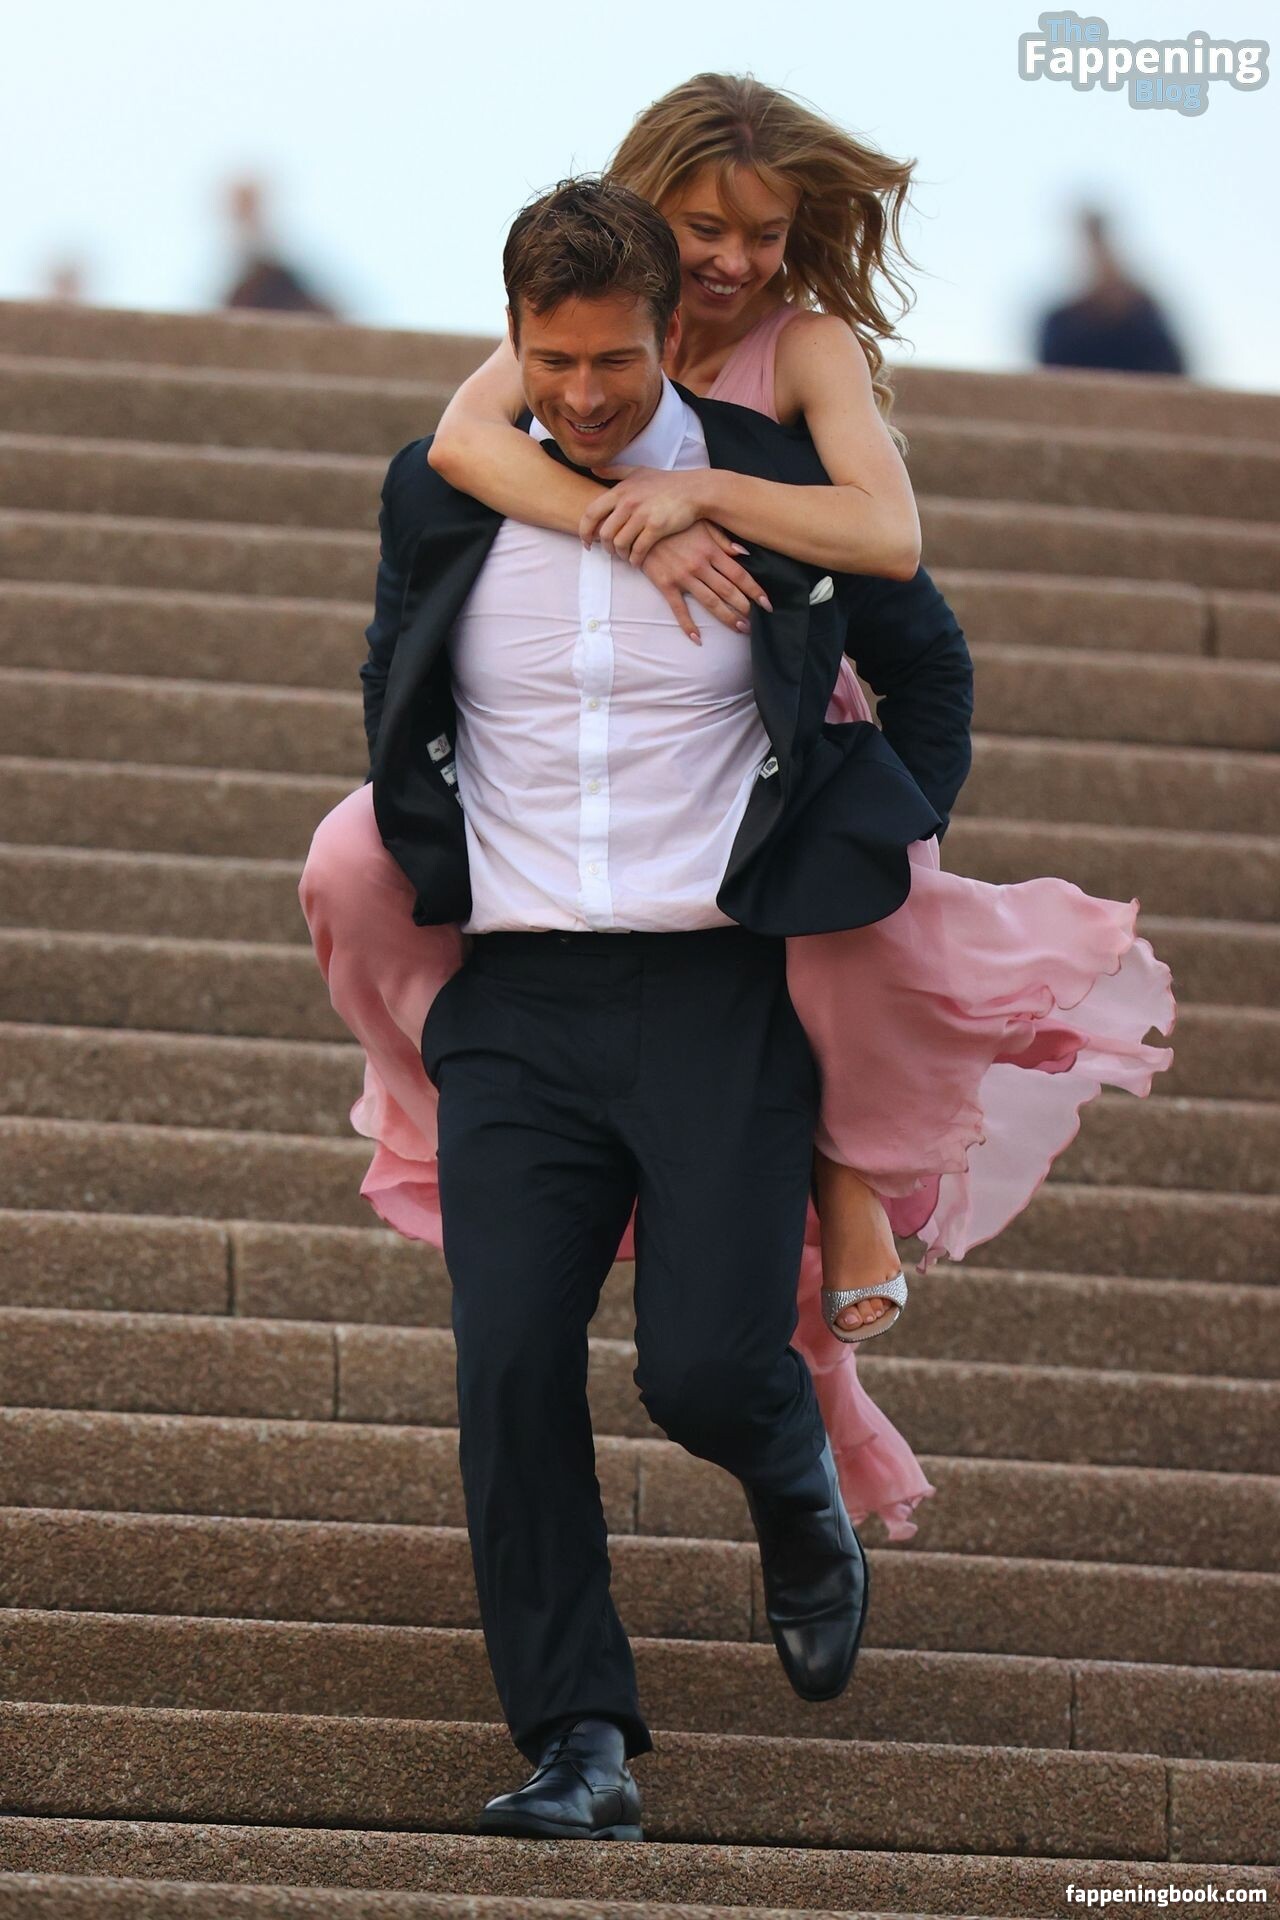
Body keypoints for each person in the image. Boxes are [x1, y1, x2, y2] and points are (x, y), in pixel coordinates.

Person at [304, 172, 976, 1837]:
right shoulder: (447, 485)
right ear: (514, 340)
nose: (586, 396)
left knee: (705, 1370)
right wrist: (430, 832)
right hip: (517, 1003)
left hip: (713, 993)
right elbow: (396, 670)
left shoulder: (774, 487)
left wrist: (878, 845)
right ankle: (578, 1738)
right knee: (509, 1369)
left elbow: (928, 660)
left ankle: (796, 1479)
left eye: (615, 361)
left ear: (671, 334)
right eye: (553, 363)